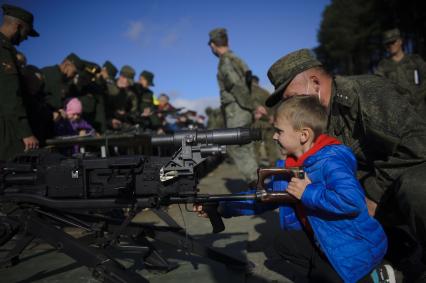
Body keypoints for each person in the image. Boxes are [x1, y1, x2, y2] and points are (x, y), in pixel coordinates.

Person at [264, 48, 426, 281]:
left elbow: (419, 143)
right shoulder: (318, 117)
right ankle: (396, 252)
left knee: (418, 187)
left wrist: (373, 194)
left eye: (291, 96)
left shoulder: (367, 92)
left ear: (315, 82)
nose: (292, 105)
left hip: (399, 180)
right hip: (364, 193)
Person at [196, 95, 392, 282]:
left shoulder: (330, 162)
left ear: (303, 135)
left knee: (327, 276)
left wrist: (307, 192)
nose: (274, 136)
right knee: (282, 246)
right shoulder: (290, 167)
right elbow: (259, 198)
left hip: (352, 249)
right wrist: (221, 206)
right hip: (325, 241)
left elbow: (352, 201)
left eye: (279, 131)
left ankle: (375, 276)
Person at [208, 27, 258, 182]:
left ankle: (255, 182)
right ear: (227, 41)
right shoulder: (236, 59)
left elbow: (236, 86)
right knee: (245, 146)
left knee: (235, 144)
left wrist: (251, 106)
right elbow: (248, 83)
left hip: (237, 109)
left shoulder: (226, 62)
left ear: (213, 45)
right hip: (243, 109)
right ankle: (258, 180)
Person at [0, 4, 39, 160]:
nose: (25, 38)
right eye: (26, 33)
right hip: (7, 132)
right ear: (18, 26)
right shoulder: (3, 50)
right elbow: (10, 95)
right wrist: (26, 133)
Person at [375, 28, 426, 110]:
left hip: (418, 109)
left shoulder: (415, 60)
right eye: (387, 44)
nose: (390, 46)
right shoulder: (383, 66)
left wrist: (417, 97)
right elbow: (378, 87)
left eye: (392, 42)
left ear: (400, 41)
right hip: (398, 111)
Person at [251, 75, 278, 166]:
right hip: (269, 123)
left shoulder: (250, 93)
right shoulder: (265, 92)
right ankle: (273, 169)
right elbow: (274, 105)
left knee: (255, 148)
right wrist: (272, 117)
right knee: (271, 147)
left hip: (257, 124)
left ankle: (256, 171)